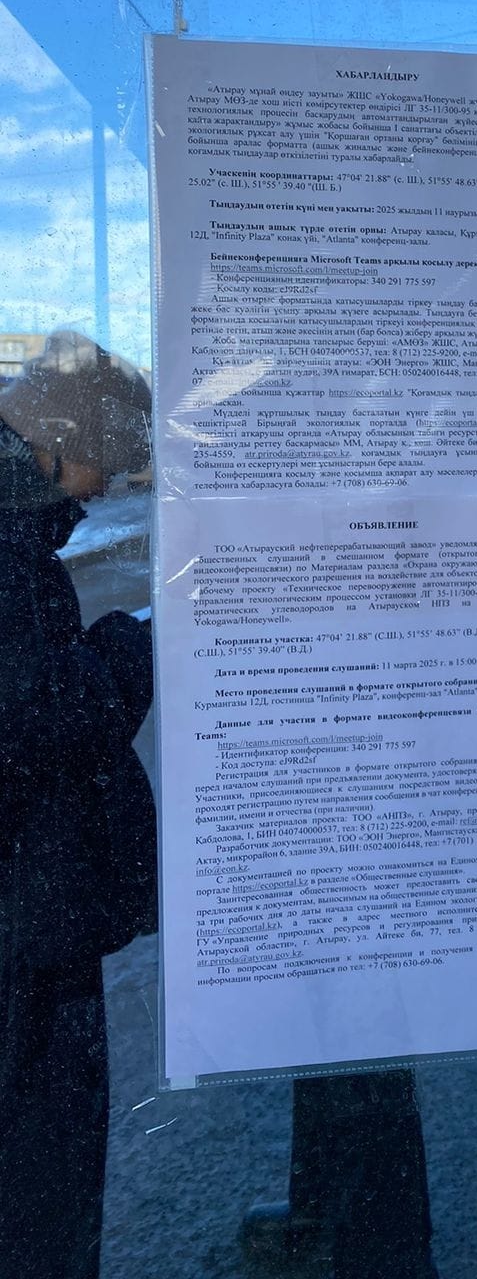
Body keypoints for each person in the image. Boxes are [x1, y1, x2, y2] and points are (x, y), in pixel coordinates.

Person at [0, 331, 156, 1279]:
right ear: (59, 443)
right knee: (42, 1173)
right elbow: (31, 717)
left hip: (33, 915)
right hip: (26, 935)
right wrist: (133, 646)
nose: (108, 487)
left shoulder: (17, 520)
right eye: (111, 458)